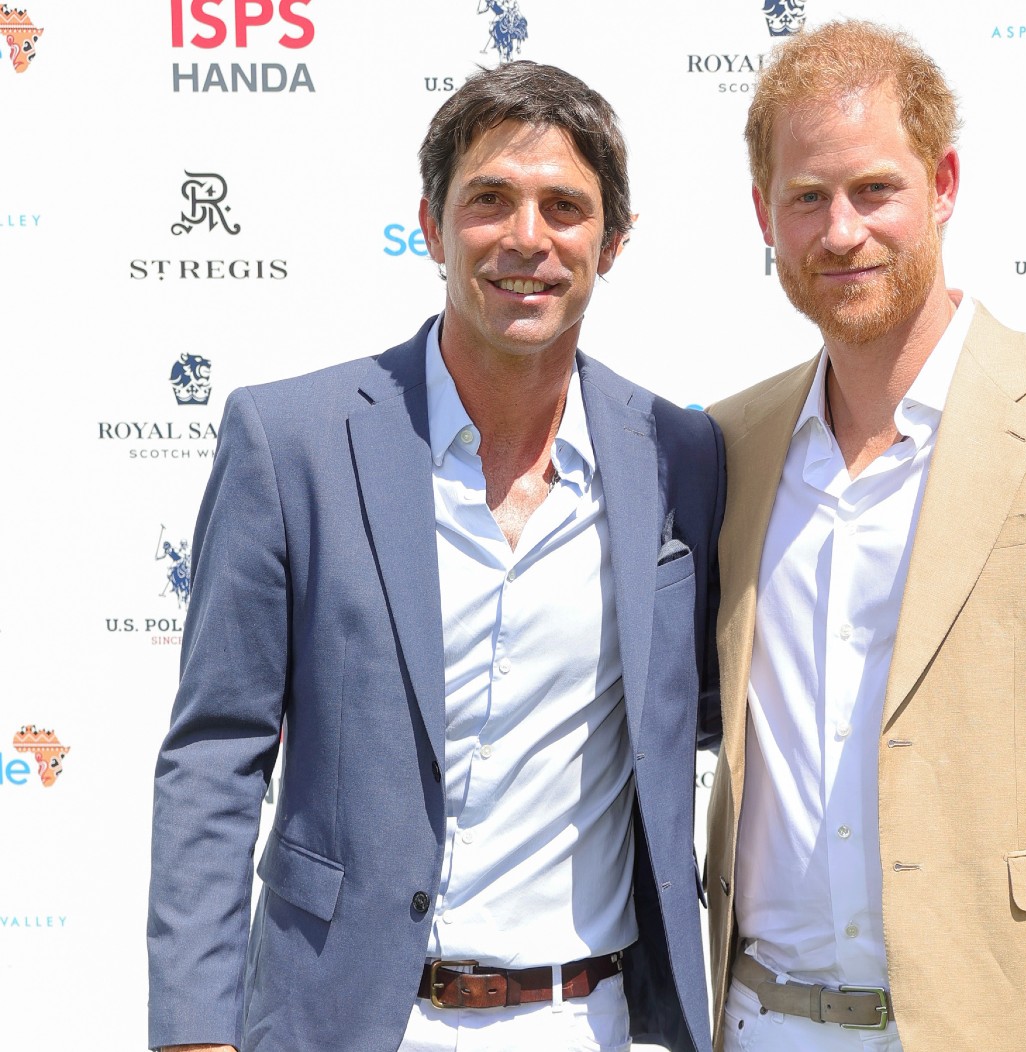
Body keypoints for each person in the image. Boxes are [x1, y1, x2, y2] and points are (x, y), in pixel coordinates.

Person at [148, 60, 723, 1052]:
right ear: (431, 224)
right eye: (489, 199)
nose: (526, 239)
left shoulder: (679, 454)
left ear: (614, 242)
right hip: (344, 1018)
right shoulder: (291, 441)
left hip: (589, 1021)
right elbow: (213, 753)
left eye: (565, 207)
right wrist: (194, 1032)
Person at [704, 20, 1026, 1052]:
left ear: (943, 184)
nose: (841, 231)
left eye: (874, 190)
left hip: (1013, 1022)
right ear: (763, 213)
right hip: (761, 1021)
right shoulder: (730, 441)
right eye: (806, 197)